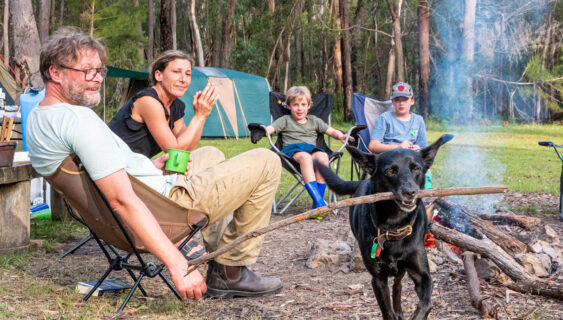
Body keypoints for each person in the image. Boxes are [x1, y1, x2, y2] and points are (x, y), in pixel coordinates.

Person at [27, 27, 282, 299]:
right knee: (267, 160)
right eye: (87, 71)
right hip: (164, 207)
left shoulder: (40, 118)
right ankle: (231, 271)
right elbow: (121, 201)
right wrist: (177, 263)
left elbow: (109, 169)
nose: (97, 78)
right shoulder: (79, 121)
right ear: (55, 73)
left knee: (210, 154)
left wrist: (149, 168)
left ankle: (216, 254)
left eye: (100, 71)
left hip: (146, 191)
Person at [107, 50, 229, 253]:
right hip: (124, 179)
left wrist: (202, 116)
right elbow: (173, 148)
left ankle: (217, 245)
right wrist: (199, 115)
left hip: (145, 170)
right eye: (176, 72)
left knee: (212, 155)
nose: (183, 79)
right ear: (158, 75)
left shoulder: (175, 106)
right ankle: (179, 229)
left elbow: (187, 148)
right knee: (207, 174)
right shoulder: (148, 101)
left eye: (188, 74)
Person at [263, 86, 349, 209]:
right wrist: (261, 131)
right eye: (295, 105)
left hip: (312, 149)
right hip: (292, 151)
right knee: (305, 157)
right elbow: (270, 129)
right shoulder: (285, 120)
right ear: (288, 106)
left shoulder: (315, 121)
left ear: (309, 105)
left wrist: (341, 135)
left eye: (303, 104)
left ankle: (317, 205)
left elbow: (332, 131)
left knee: (323, 156)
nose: (299, 108)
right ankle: (319, 202)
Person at [367, 82, 428, 153]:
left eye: (405, 99)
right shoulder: (385, 118)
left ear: (412, 101)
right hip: (390, 159)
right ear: (392, 101)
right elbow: (373, 146)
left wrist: (418, 148)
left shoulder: (418, 120)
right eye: (397, 100)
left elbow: (424, 148)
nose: (401, 103)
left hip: (410, 159)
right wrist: (398, 147)